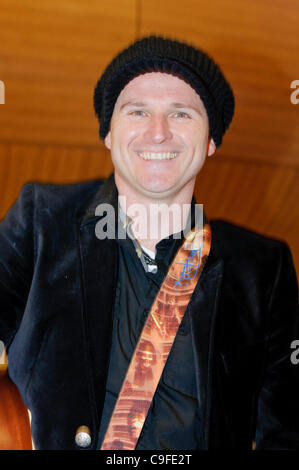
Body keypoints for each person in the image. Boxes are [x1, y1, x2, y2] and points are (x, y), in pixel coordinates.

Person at [0, 35, 298, 451]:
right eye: (137, 111)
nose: (158, 133)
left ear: (211, 140)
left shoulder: (262, 270)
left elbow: (285, 432)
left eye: (181, 113)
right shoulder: (41, 221)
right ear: (109, 132)